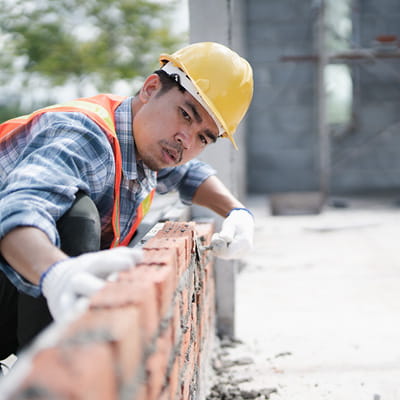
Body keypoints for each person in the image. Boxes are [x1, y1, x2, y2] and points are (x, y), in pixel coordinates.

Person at [0, 41, 254, 359]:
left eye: (204, 137)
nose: (186, 140)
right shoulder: (85, 137)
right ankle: (52, 377)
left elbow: (189, 173)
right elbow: (18, 211)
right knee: (76, 217)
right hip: (17, 252)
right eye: (186, 115)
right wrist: (57, 273)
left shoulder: (143, 139)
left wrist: (238, 213)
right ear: (150, 88)